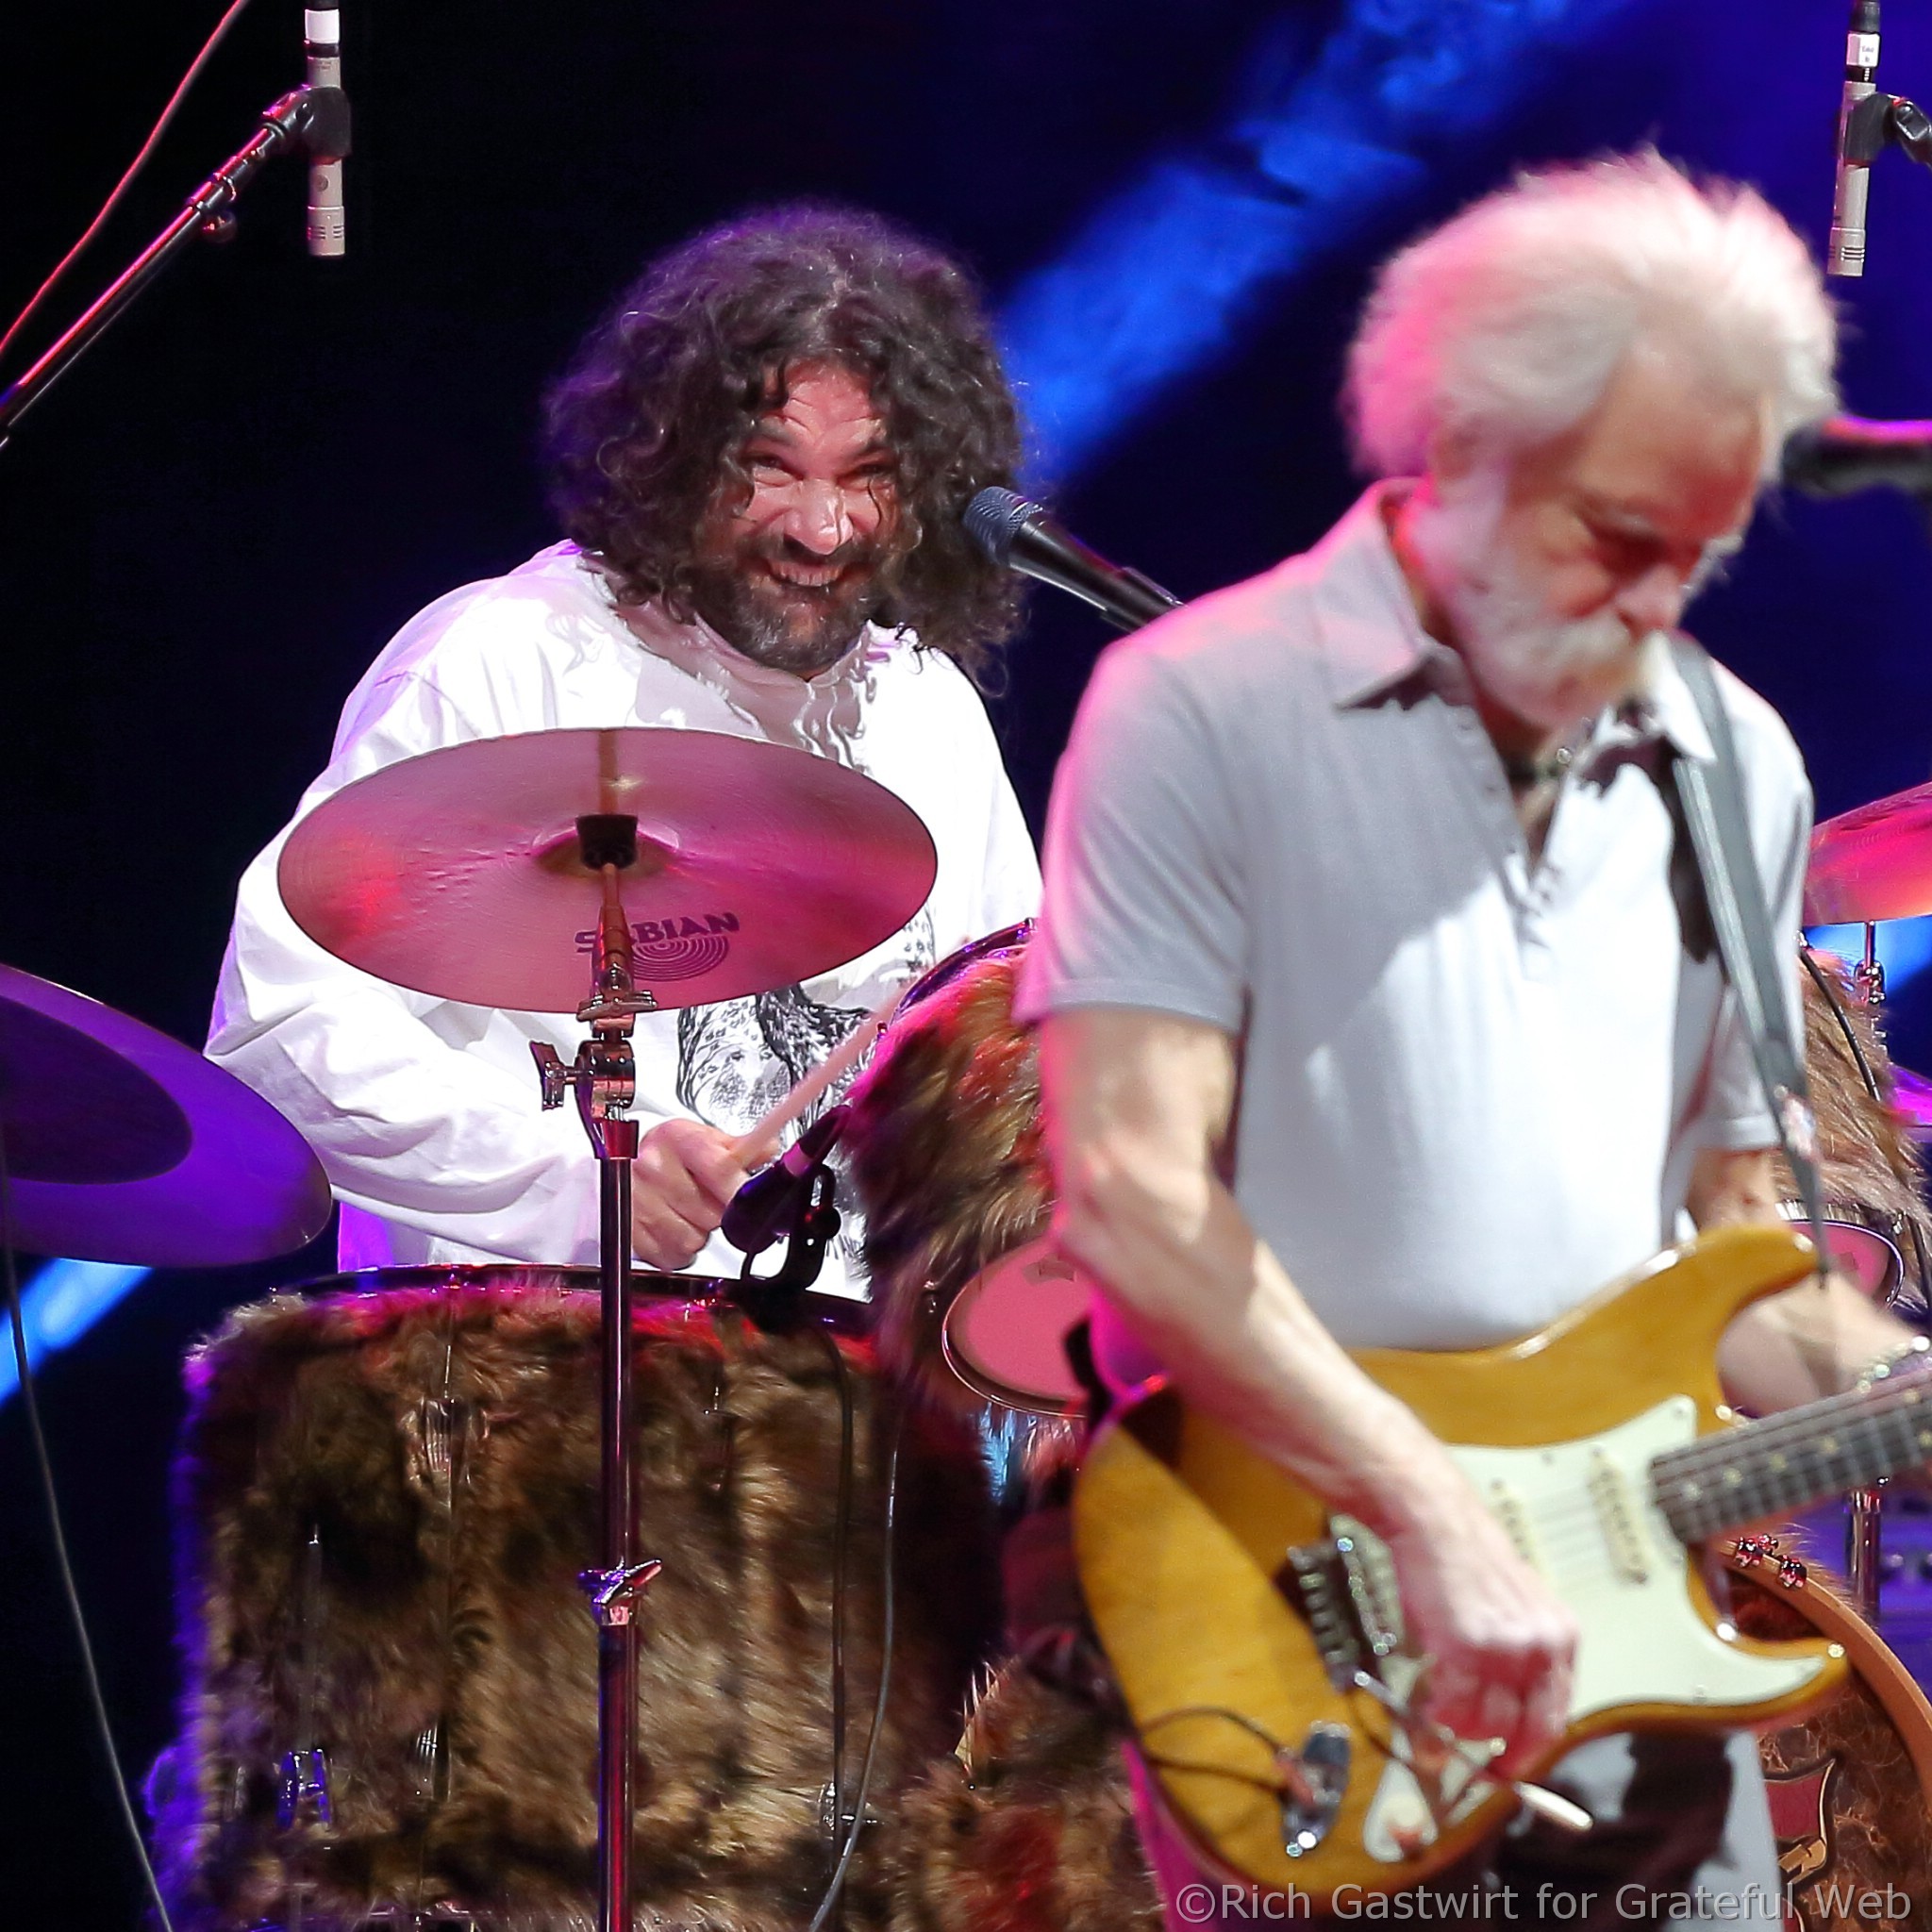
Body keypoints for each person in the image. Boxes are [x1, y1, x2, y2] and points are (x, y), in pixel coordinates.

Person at [1015, 154, 1920, 1925]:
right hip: (1300, 1614)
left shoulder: (1736, 757)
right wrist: (1427, 1516)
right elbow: (1126, 1198)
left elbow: (1740, 1261)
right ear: (1468, 448)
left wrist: (1883, 1384)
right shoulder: (1198, 703)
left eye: (1706, 544)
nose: (1661, 601)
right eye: (1614, 535)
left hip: (1639, 1638)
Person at [209, 207, 1040, 1294]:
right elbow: (281, 1022)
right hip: (521, 1391)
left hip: (839, 1421)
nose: (821, 528)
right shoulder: (508, 658)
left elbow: (1003, 1063)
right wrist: (571, 1181)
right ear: (671, 455)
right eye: (769, 466)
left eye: (869, 475)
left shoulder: (925, 707)